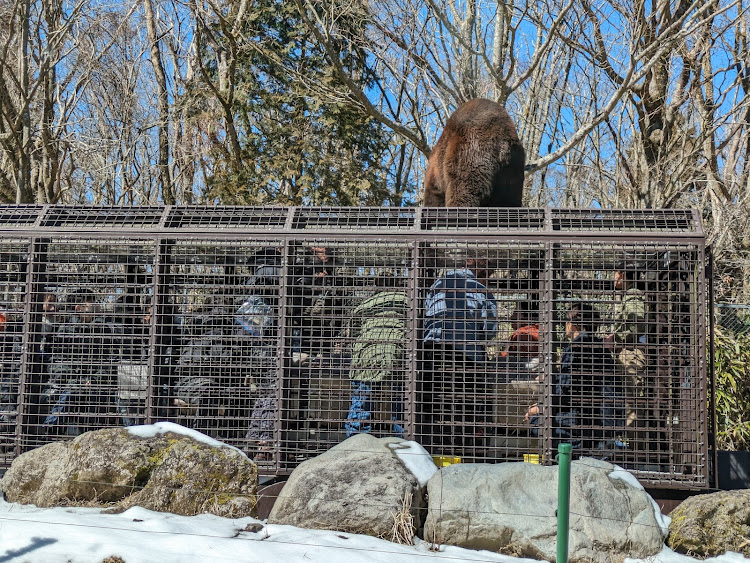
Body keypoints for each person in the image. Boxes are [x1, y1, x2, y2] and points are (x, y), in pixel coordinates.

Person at [418, 252, 498, 455]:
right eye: (488, 273)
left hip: (433, 353)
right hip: (466, 356)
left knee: (434, 404)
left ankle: (432, 452)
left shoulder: (437, 285)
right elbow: (489, 331)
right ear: (482, 269)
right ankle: (463, 453)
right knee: (466, 406)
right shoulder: (481, 290)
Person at [525, 301, 623, 452]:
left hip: (584, 420)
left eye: (566, 321)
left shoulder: (574, 349)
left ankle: (571, 453)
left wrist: (539, 408)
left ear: (573, 324)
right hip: (608, 420)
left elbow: (563, 391)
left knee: (536, 422)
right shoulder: (601, 349)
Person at [43, 289, 116, 436]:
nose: (96, 306)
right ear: (79, 308)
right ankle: (49, 432)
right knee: (68, 395)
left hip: (94, 384)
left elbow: (108, 361)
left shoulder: (103, 330)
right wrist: (76, 380)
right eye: (91, 303)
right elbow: (56, 362)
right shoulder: (64, 330)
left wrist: (93, 379)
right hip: (69, 383)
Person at [344, 287, 408, 438]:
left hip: (366, 351)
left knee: (362, 397)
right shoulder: (408, 300)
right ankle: (403, 441)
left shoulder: (367, 302)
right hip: (395, 351)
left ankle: (356, 438)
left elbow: (352, 331)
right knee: (401, 396)